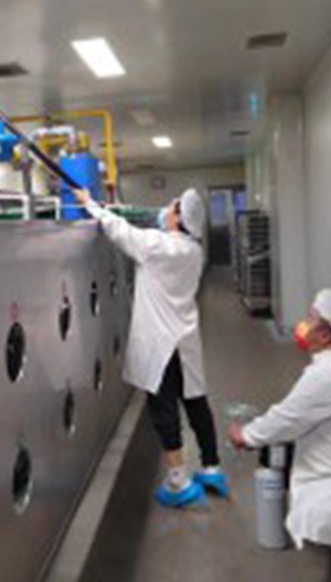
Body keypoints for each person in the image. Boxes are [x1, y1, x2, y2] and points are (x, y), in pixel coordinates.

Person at [74, 187, 229, 507]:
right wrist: (110, 207)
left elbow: (122, 232)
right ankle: (212, 467)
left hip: (162, 342)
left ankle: (178, 482)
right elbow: (136, 228)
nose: (164, 210)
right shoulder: (194, 251)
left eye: (171, 207)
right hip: (184, 338)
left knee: (164, 409)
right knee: (196, 402)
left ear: (179, 219)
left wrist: (90, 204)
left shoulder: (160, 246)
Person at [229, 289, 331, 561]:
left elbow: (287, 417)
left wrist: (246, 435)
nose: (302, 323)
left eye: (310, 318)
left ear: (324, 335)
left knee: (315, 515)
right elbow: (294, 415)